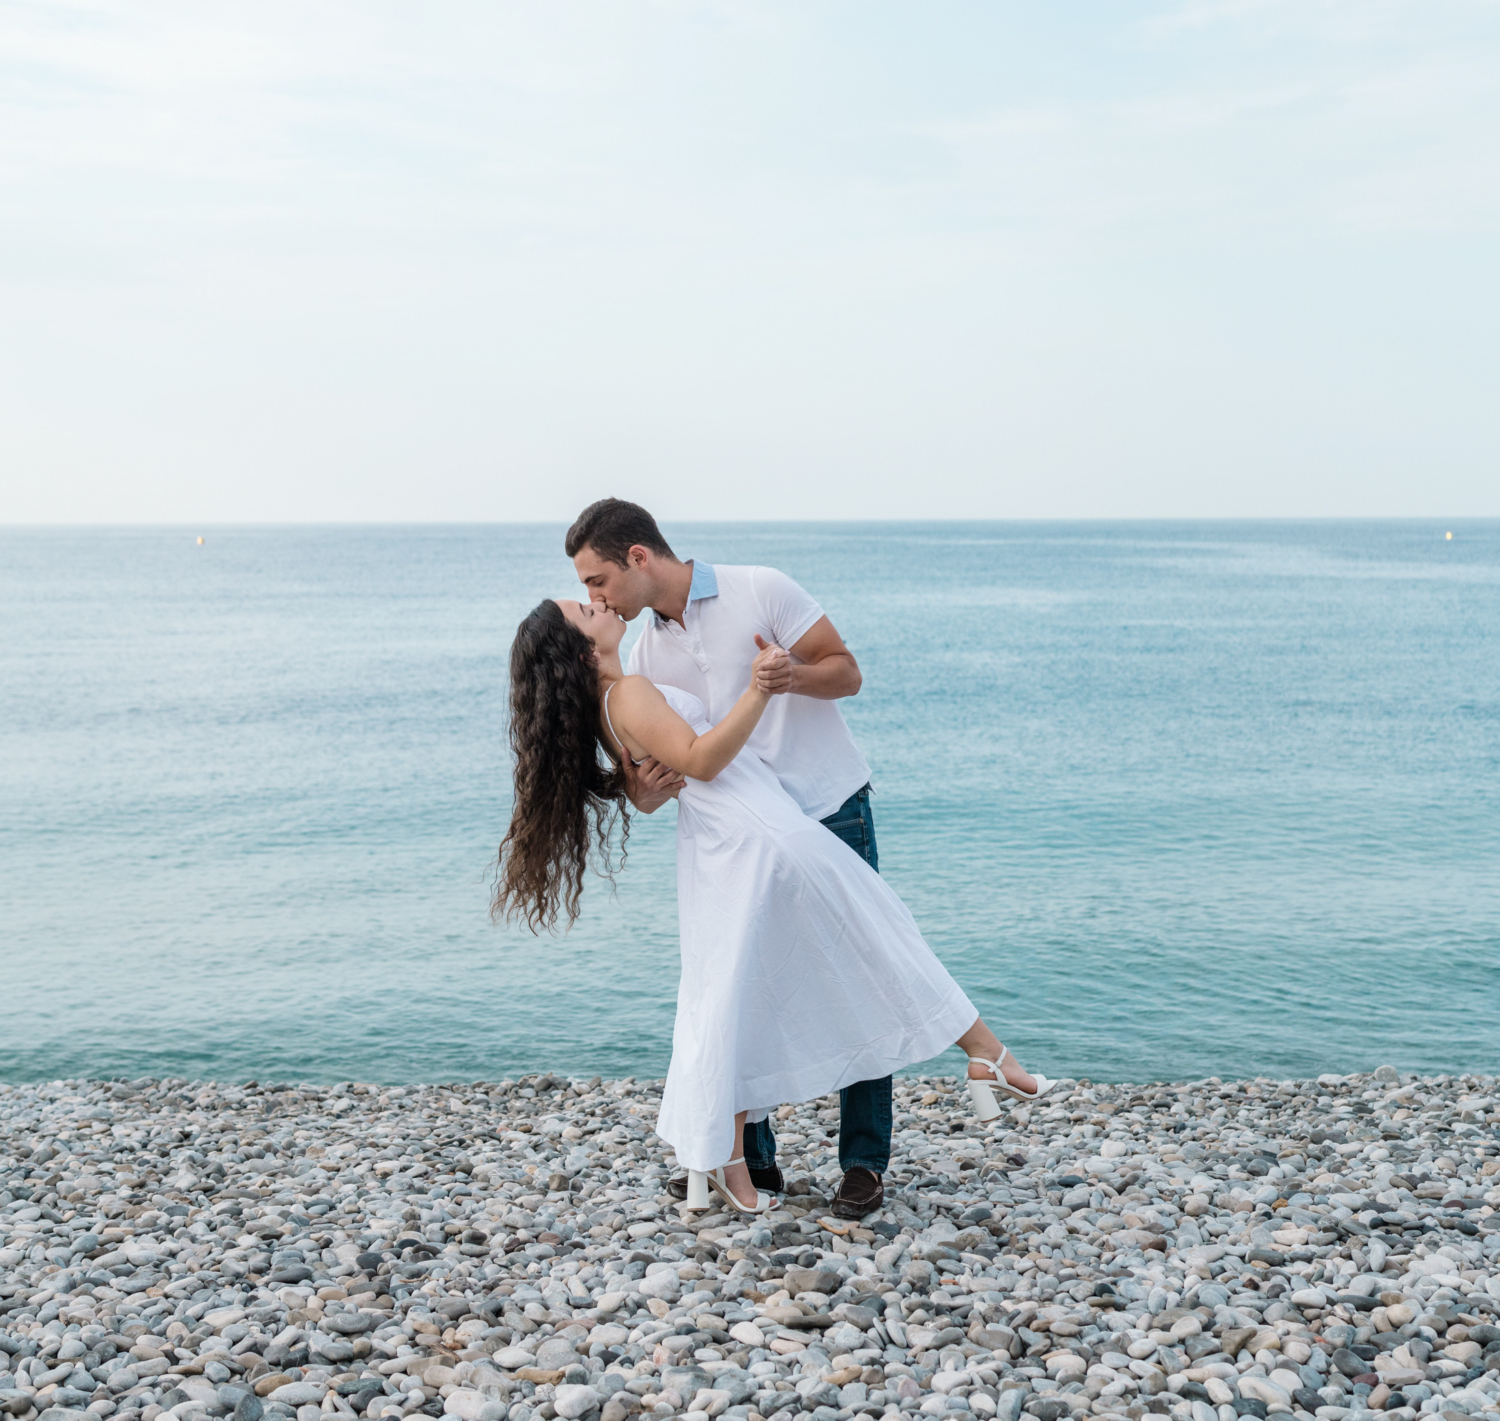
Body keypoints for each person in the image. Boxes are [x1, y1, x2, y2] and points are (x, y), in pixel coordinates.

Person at [494, 594, 1053, 1216]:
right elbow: (702, 762)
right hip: (759, 837)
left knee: (739, 999)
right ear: (580, 648)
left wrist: (634, 784)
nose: (596, 600)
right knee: (877, 940)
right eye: (582, 604)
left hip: (727, 846)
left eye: (593, 586)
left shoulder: (615, 698)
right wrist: (759, 689)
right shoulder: (626, 695)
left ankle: (729, 1162)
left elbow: (661, 772)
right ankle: (987, 1056)